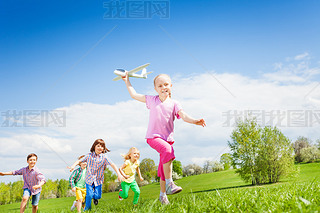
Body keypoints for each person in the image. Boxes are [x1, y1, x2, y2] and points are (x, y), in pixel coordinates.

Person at [122, 73, 206, 204]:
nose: (163, 87)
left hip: (167, 140)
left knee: (163, 167)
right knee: (168, 151)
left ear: (171, 86)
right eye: (160, 85)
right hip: (153, 137)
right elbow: (134, 95)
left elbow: (183, 115)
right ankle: (170, 184)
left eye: (166, 84)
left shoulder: (174, 103)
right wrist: (127, 80)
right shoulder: (151, 100)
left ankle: (162, 196)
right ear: (155, 89)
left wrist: (195, 121)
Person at [69, 139, 123, 211]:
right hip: (89, 180)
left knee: (98, 196)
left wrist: (118, 174)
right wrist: (73, 166)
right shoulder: (89, 156)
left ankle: (95, 198)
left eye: (102, 146)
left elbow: (112, 164)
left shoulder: (104, 157)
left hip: (98, 180)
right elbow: (79, 161)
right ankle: (87, 209)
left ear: (103, 148)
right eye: (98, 146)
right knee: (89, 195)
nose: (100, 147)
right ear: (94, 147)